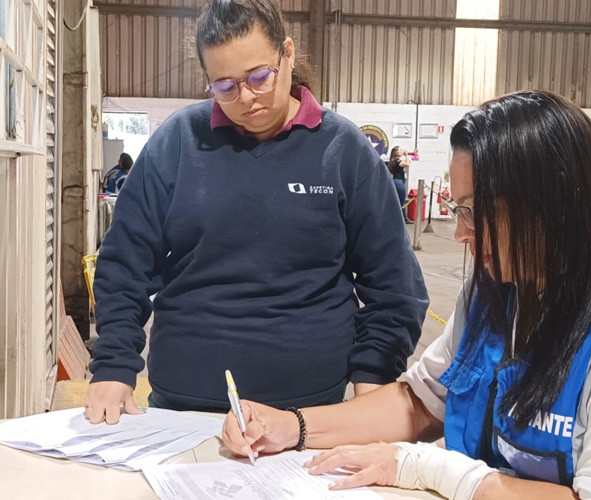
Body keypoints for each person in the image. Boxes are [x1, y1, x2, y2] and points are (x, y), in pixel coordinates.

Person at [222, 91, 591, 500]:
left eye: (475, 211)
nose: (461, 234)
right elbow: (423, 400)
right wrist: (291, 426)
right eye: (458, 208)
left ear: (553, 206)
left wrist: (422, 465)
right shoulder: (503, 286)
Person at [85, 0, 428, 424]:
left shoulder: (342, 150)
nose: (246, 98)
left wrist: (374, 373)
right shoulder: (179, 141)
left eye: (259, 77)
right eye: (225, 87)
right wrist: (113, 363)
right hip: (182, 407)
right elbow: (125, 262)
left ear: (287, 54)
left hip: (311, 414)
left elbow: (392, 279)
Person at [388, 146, 411, 223]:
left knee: (399, 200)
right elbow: (407, 164)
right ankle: (403, 218)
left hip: (397, 180)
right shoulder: (397, 161)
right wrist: (407, 155)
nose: (402, 151)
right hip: (399, 181)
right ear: (396, 153)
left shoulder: (393, 160)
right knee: (402, 200)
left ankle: (400, 217)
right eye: (400, 150)